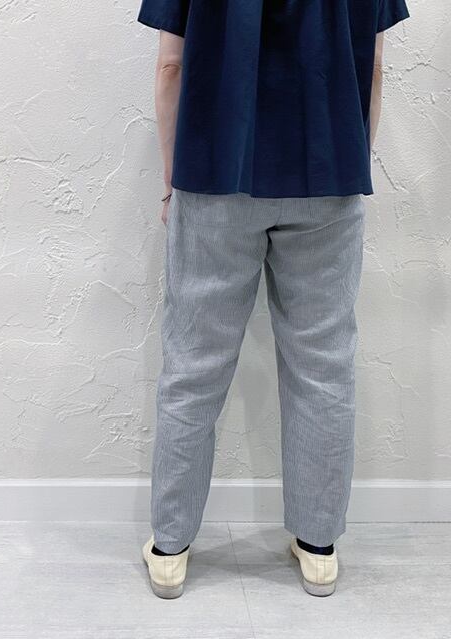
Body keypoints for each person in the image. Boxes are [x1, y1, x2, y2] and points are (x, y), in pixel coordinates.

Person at [137, 0, 411, 598]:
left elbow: (170, 66)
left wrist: (170, 180)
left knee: (193, 367)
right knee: (323, 366)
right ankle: (318, 548)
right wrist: (350, 161)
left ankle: (171, 548)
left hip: (214, 178)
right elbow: (374, 68)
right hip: (327, 176)